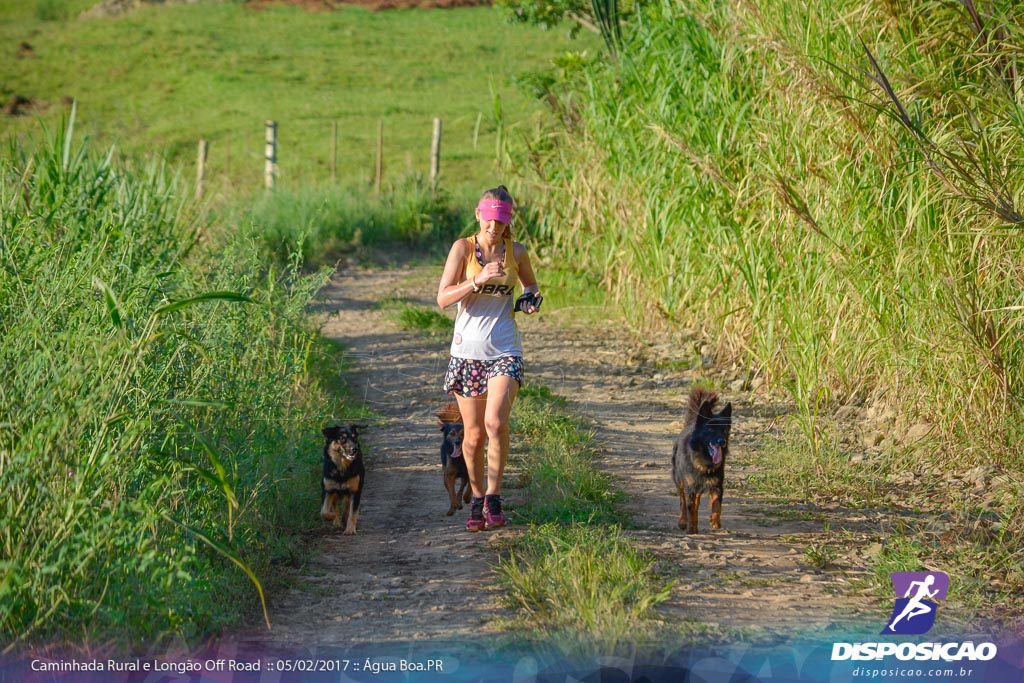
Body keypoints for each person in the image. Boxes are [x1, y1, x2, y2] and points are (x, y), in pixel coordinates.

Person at [436, 185, 541, 532]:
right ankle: (477, 500)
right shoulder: (463, 249)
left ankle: (494, 497)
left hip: (504, 349)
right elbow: (443, 298)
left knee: (496, 423)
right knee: (474, 435)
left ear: (508, 220)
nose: (494, 227)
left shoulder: (517, 252)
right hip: (467, 353)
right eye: (489, 219)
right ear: (478, 214)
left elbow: (531, 287)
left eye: (501, 220)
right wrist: (477, 280)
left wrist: (529, 300)